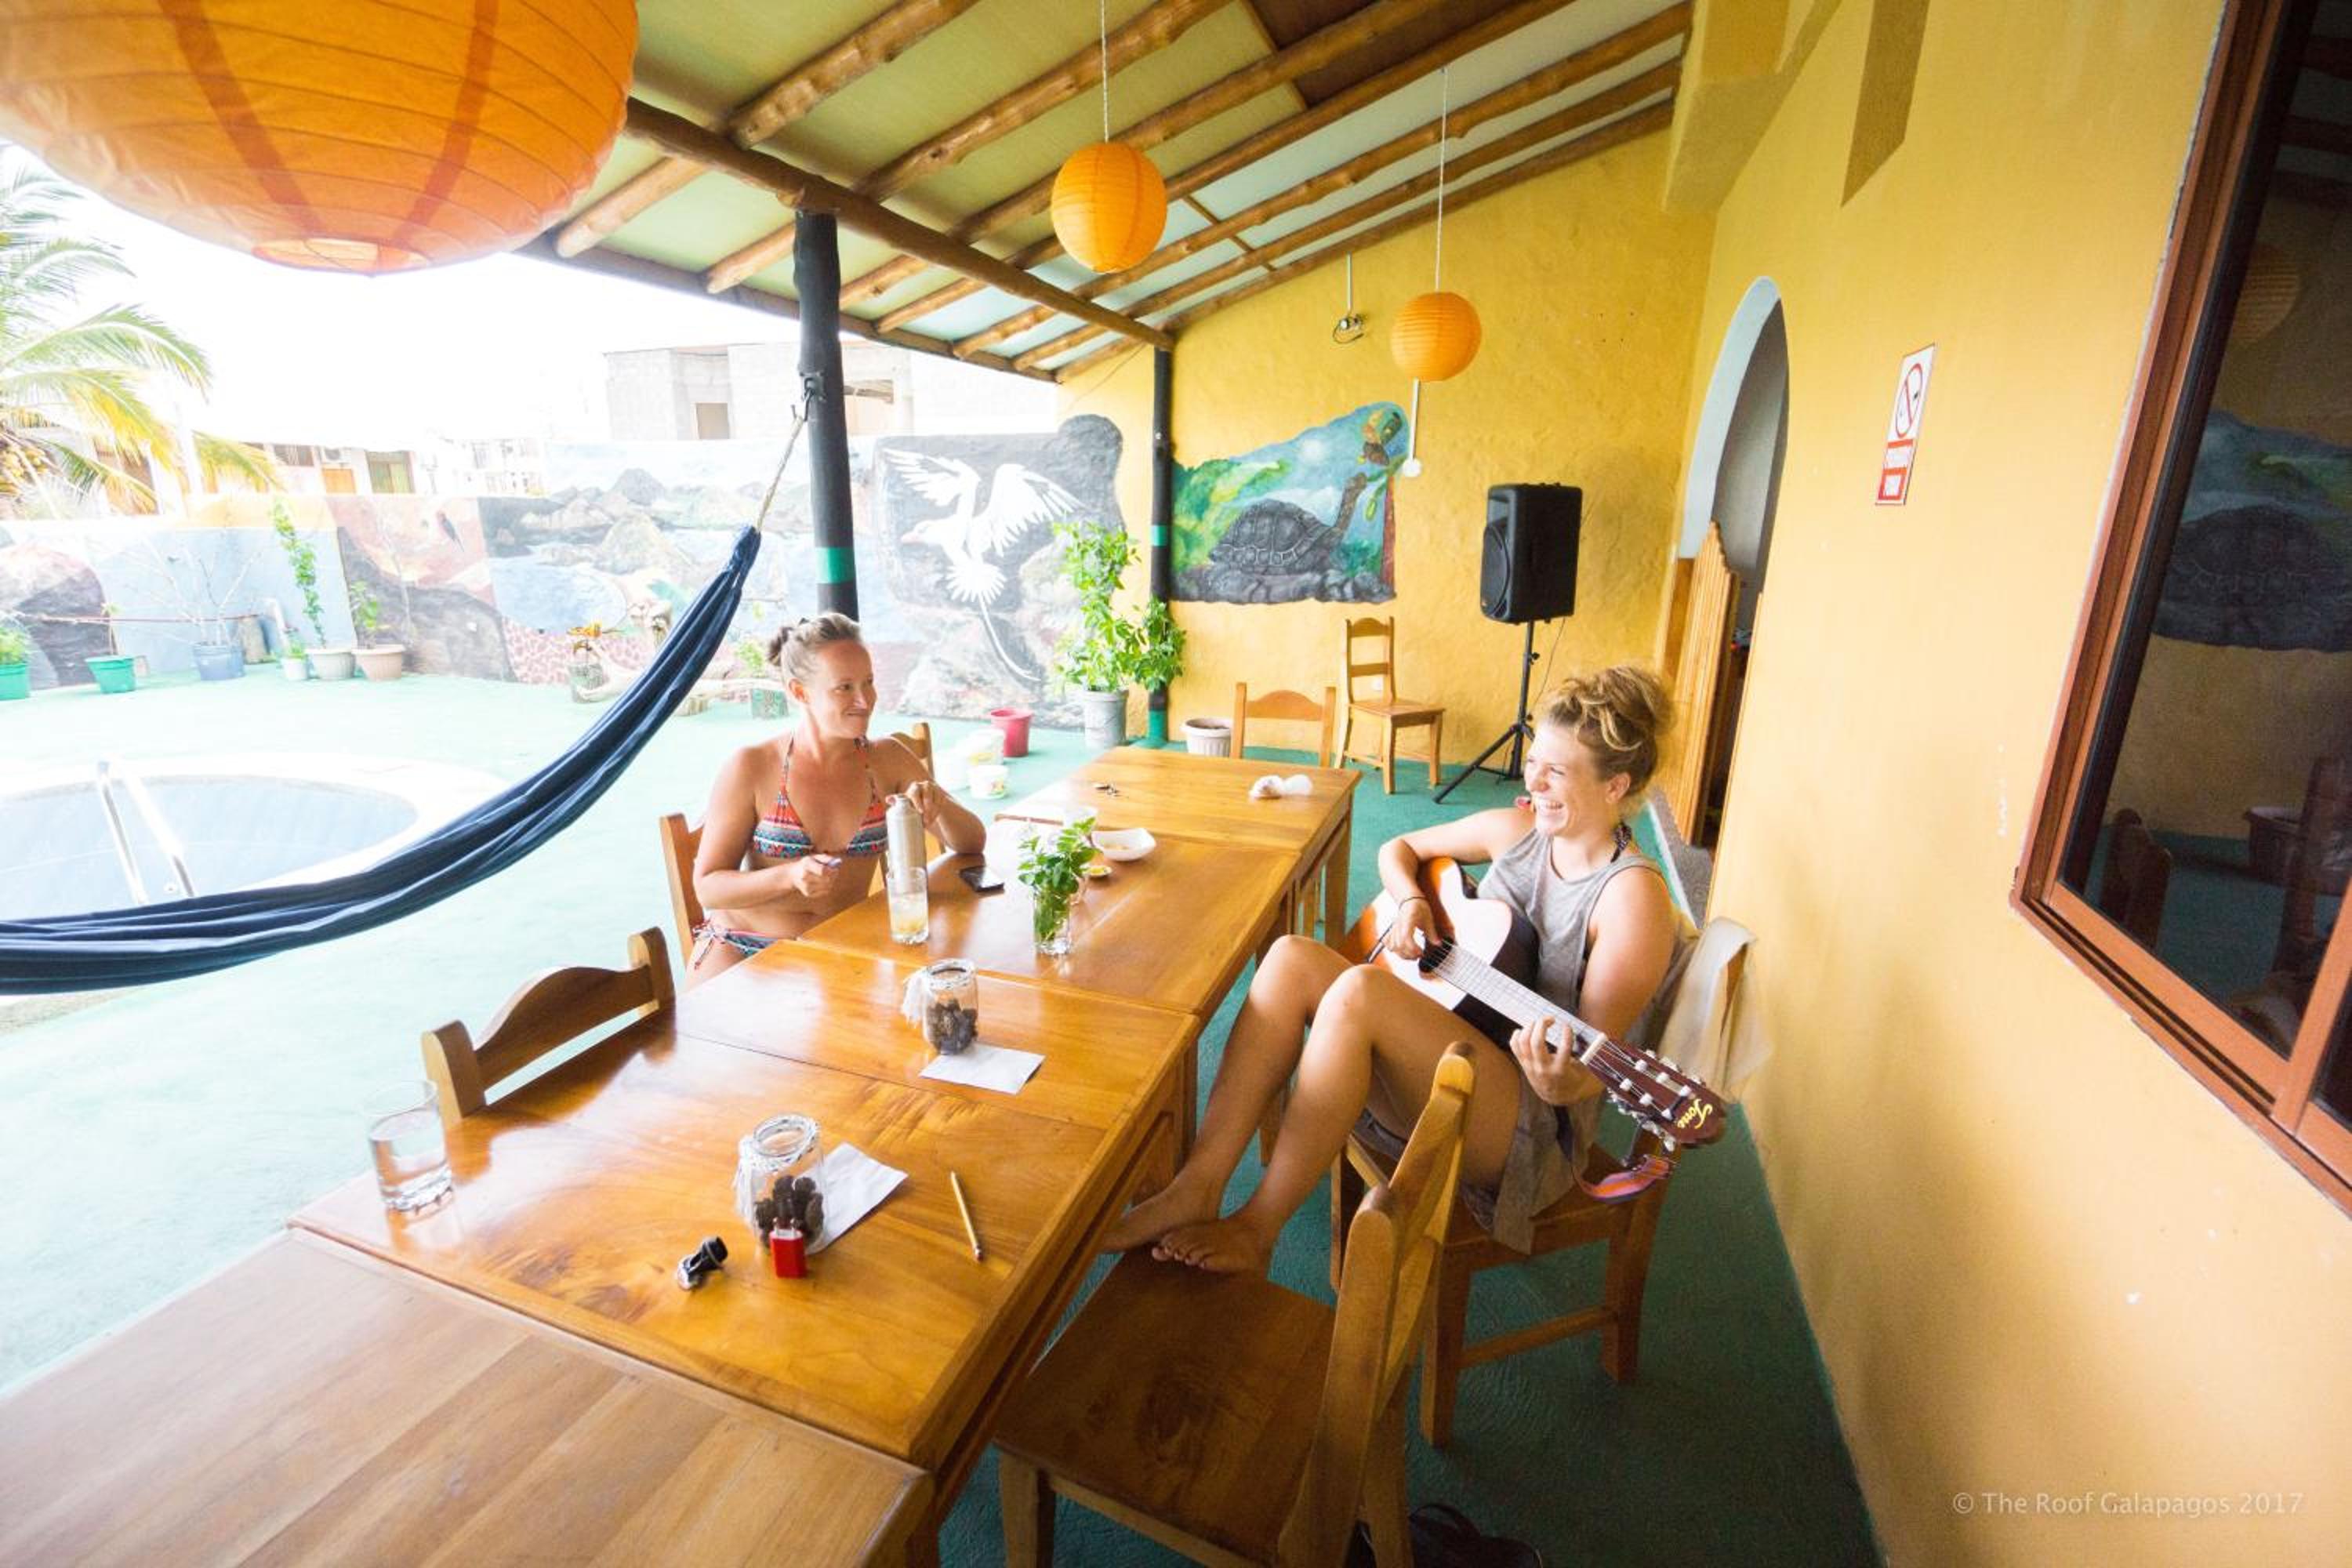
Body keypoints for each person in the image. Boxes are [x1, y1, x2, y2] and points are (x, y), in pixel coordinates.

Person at [1105, 666, 1686, 1272]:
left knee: (1362, 990)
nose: (1532, 781)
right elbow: (1397, 849)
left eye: (1556, 772)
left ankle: (1258, 1228)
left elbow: (1589, 1072)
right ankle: (1197, 1186)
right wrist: (1411, 902)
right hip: (1449, 1045)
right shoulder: (1518, 831)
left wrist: (1559, 1080)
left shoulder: (1632, 900)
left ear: (1616, 785)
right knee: (1290, 958)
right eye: (1534, 760)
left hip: (1527, 1127)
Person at [687, 613, 985, 985]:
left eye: (869, 682)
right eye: (844, 687)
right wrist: (789, 876)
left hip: (840, 955)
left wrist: (938, 805)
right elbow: (708, 888)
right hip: (743, 948)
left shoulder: (887, 759)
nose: (865, 700)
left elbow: (972, 842)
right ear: (800, 693)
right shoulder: (752, 766)